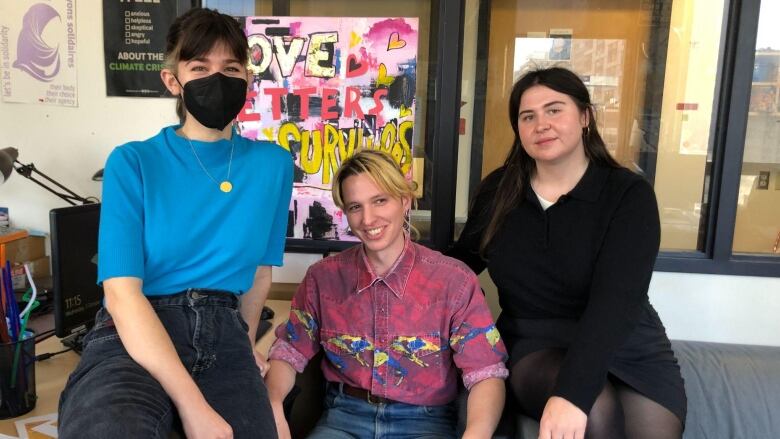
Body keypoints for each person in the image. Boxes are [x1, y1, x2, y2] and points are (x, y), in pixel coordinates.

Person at [58, 8, 292, 439]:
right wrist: (193, 405)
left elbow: (260, 272)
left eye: (230, 68)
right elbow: (121, 293)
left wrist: (244, 349)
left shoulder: (274, 166)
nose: (216, 79)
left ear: (247, 80)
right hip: (137, 331)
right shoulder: (133, 162)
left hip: (224, 330)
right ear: (173, 81)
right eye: (199, 67)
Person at [448, 67, 686, 439]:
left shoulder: (627, 195)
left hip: (623, 342)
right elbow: (460, 263)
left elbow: (616, 303)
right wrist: (393, 255)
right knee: (594, 410)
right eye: (528, 116)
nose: (541, 124)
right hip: (535, 343)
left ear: (585, 117)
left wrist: (572, 393)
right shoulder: (500, 191)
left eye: (554, 110)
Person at [265, 150, 509, 439]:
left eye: (380, 200)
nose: (368, 219)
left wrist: (476, 433)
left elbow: (486, 372)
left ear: (405, 201)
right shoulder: (323, 278)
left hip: (425, 423)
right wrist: (273, 403)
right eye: (356, 207)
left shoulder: (453, 281)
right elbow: (289, 351)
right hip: (344, 418)